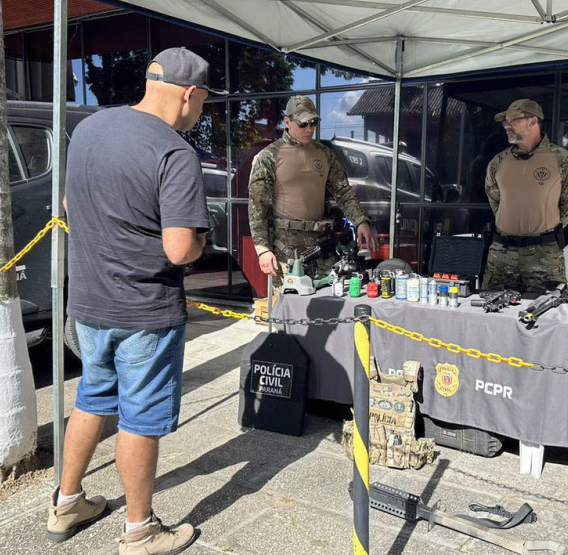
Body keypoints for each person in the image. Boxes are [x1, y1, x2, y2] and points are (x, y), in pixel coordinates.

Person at [49, 47, 225, 555]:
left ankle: (66, 502)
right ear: (189, 94)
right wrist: (198, 243)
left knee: (91, 400)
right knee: (140, 419)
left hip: (89, 303)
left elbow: (68, 204)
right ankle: (140, 530)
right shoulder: (174, 151)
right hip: (145, 310)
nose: (200, 113)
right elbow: (178, 248)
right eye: (203, 103)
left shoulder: (89, 129)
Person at [247, 95, 378, 281]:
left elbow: (343, 191)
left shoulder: (324, 154)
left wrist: (360, 221)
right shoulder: (269, 156)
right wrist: (262, 248)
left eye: (314, 123)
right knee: (290, 305)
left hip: (321, 245)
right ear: (287, 121)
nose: (310, 129)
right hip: (286, 247)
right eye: (303, 124)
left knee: (326, 301)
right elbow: (256, 204)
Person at [483, 99, 568, 294]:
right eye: (506, 122)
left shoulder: (563, 160)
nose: (507, 126)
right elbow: (496, 200)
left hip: (543, 254)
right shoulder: (498, 161)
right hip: (502, 254)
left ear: (533, 121)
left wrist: (545, 228)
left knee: (548, 315)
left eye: (513, 120)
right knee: (493, 313)